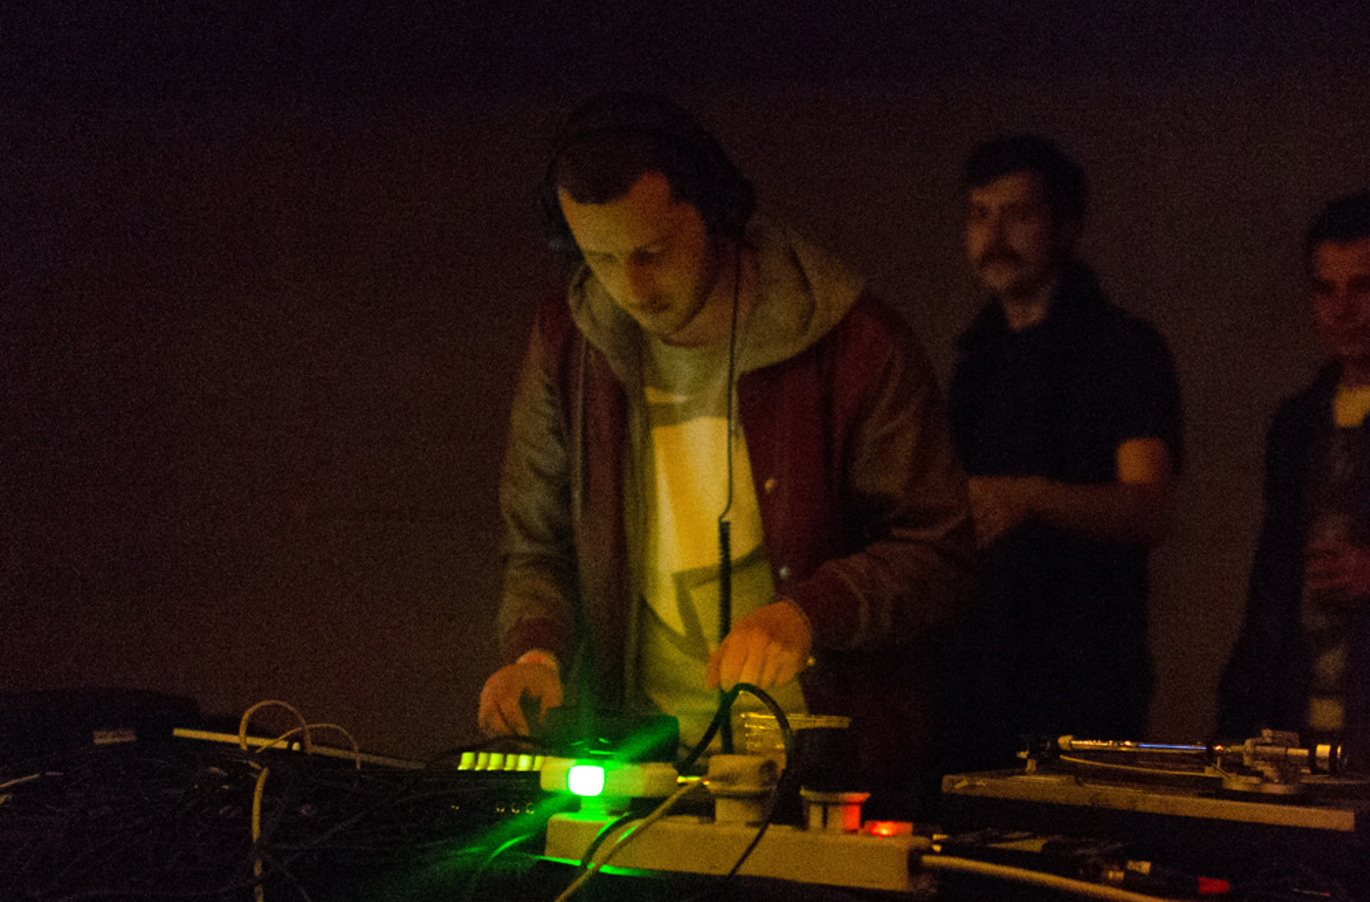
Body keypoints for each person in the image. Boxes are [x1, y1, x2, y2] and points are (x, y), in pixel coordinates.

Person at [477, 93, 973, 812]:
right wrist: (535, 653)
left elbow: (937, 547)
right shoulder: (569, 344)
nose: (631, 287)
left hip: (830, 779)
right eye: (599, 258)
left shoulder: (856, 343)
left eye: (652, 252)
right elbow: (538, 545)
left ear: (716, 210)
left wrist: (805, 614)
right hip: (643, 772)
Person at [942, 135, 1182, 770]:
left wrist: (1030, 497)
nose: (994, 236)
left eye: (1017, 215)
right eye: (979, 215)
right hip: (978, 674)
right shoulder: (974, 361)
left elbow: (1149, 509)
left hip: (1082, 676)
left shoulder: (1122, 349)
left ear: (1067, 227)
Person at [1218, 190, 1370, 763]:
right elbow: (1271, 581)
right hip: (1297, 728)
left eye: (1362, 287)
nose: (1342, 309)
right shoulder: (1298, 423)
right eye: (1326, 289)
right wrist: (1235, 721)